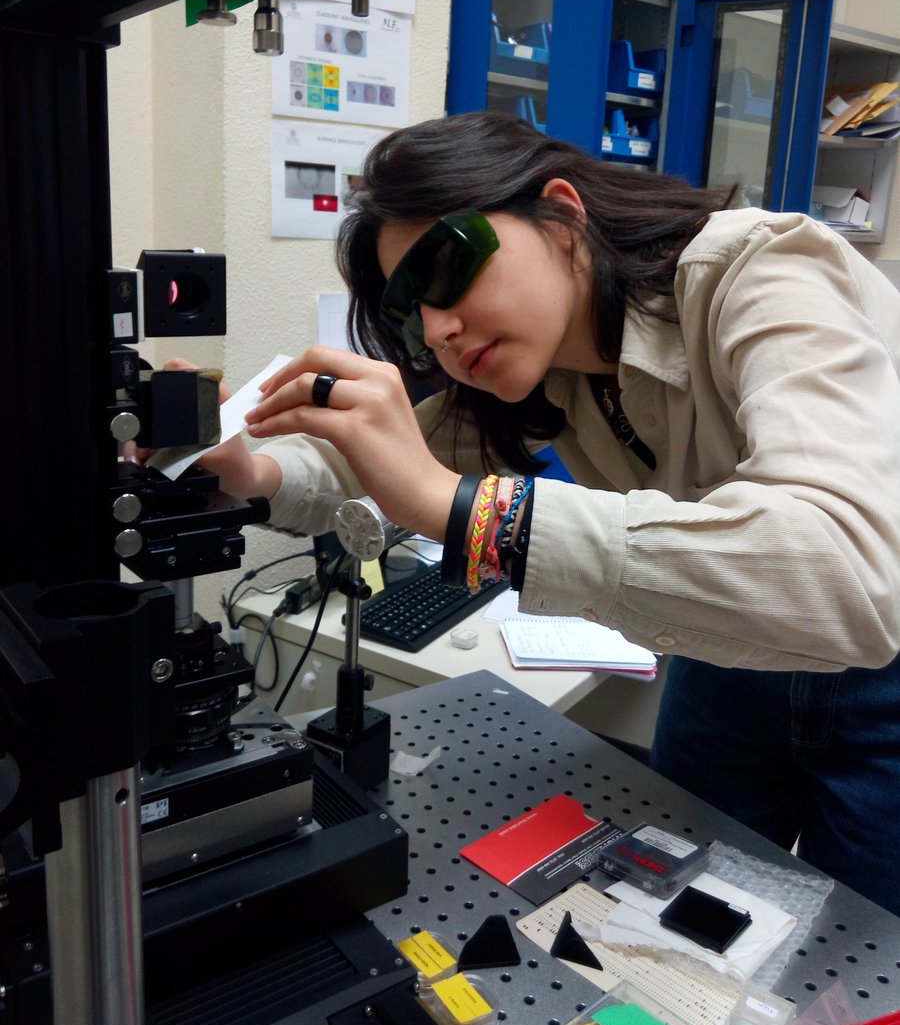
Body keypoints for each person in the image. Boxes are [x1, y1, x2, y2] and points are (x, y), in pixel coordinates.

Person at [197, 110, 900, 914]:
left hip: (886, 678)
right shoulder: (549, 372)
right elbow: (369, 463)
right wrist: (247, 470)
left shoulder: (761, 272)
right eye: (409, 315)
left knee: (870, 949)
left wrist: (469, 514)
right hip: (733, 664)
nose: (438, 328)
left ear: (563, 217)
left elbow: (844, 574)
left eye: (447, 270)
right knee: (695, 919)